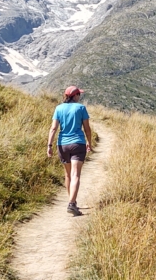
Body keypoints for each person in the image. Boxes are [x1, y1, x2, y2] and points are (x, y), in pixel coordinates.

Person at [47, 85, 94, 216]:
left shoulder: (58, 108)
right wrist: (89, 143)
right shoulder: (81, 108)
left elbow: (53, 128)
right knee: (75, 175)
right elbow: (87, 129)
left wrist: (49, 145)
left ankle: (72, 201)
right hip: (78, 143)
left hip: (62, 145)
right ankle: (72, 204)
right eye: (79, 94)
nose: (80, 96)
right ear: (75, 96)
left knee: (68, 175)